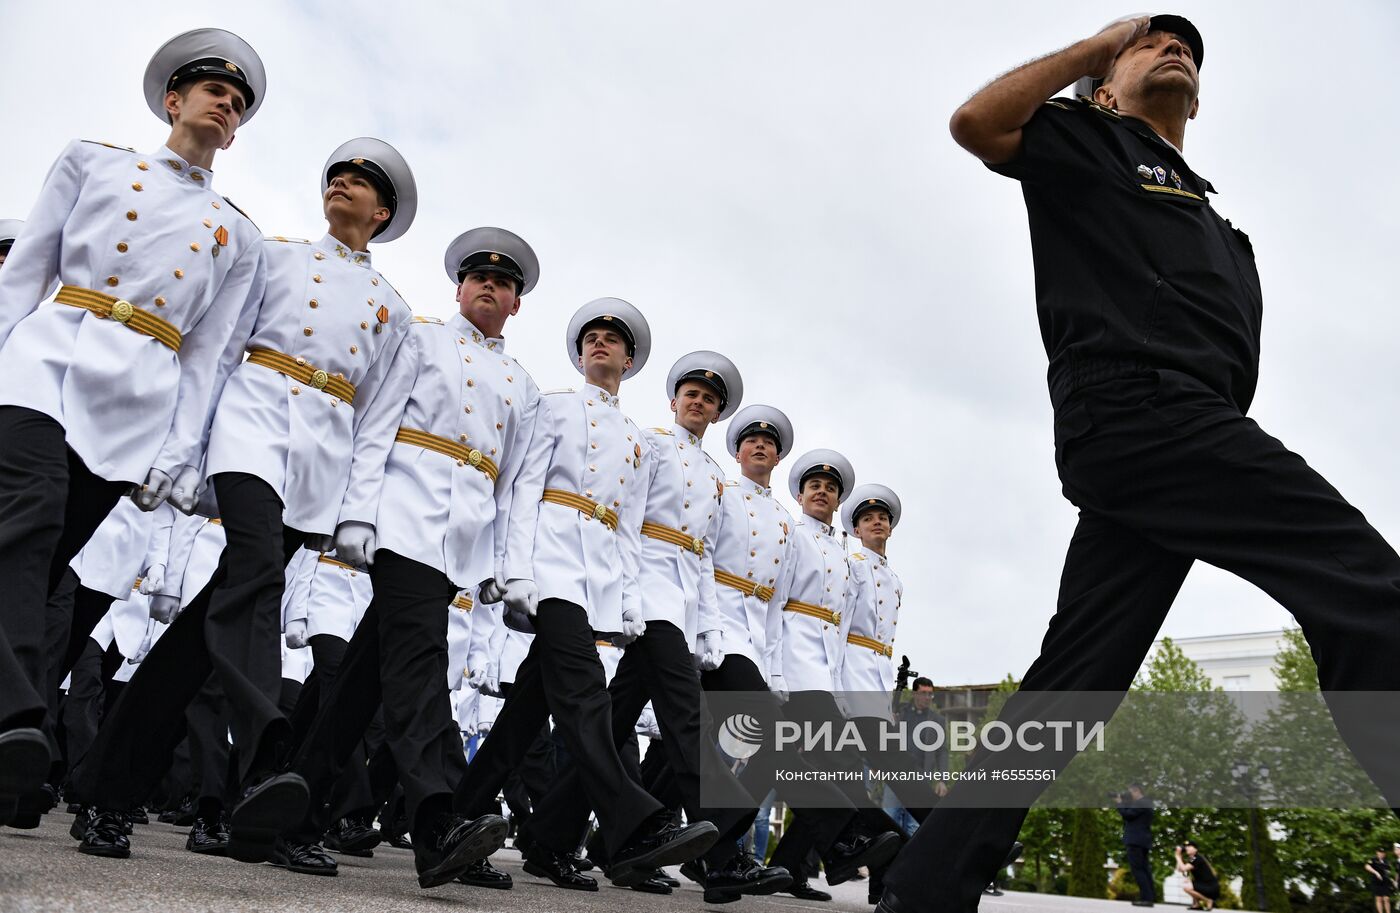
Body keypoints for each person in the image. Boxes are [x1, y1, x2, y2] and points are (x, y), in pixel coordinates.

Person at [878, 13, 1400, 912]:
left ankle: (925, 888)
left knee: (1076, 680)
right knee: (1366, 585)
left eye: (1189, 47)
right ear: (1106, 87)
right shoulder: (1092, 144)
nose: (1176, 48)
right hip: (1140, 411)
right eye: (1152, 42)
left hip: (1173, 443)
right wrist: (1091, 48)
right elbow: (976, 125)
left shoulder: (1221, 227)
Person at [70, 136, 416, 866]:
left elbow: (376, 421)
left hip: (319, 457)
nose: (343, 185)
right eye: (338, 175)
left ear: (382, 212)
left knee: (205, 630)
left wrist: (356, 509)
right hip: (252, 422)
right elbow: (222, 350)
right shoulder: (277, 255)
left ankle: (108, 789)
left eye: (360, 182)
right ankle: (269, 759)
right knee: (255, 569)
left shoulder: (393, 308)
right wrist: (187, 452)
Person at [0, 27, 267, 828]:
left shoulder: (238, 233)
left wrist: (183, 453)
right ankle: (15, 714)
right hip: (51, 355)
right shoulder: (93, 162)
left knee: (44, 567)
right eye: (214, 90)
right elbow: (25, 274)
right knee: (30, 515)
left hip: (139, 398)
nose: (227, 104)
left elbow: (209, 358)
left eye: (240, 101)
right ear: (172, 99)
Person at [285, 227, 549, 888]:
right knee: (419, 660)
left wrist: (508, 568)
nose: (490, 287)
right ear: (459, 287)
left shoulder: (524, 385)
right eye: (479, 277)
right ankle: (440, 823)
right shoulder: (421, 338)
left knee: (361, 684)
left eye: (505, 282)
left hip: (460, 538)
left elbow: (515, 487)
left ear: (516, 303)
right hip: (403, 514)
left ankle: (288, 806)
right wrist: (355, 512)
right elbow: (374, 424)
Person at [455, 297, 721, 890]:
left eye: (613, 340)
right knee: (584, 696)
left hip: (595, 573)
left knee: (527, 713)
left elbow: (628, 528)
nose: (600, 344)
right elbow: (525, 489)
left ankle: (461, 818)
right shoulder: (552, 408)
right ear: (580, 354)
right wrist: (514, 568)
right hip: (547, 562)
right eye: (592, 338)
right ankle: (635, 819)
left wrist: (627, 602)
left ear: (629, 361)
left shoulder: (637, 440)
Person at [521, 350, 782, 901]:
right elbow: (628, 520)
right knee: (687, 717)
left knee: (611, 725)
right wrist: (626, 599)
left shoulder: (714, 476)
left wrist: (708, 627)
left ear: (716, 415)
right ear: (674, 401)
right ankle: (720, 856)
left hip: (683, 604)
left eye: (709, 400)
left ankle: (549, 837)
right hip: (647, 596)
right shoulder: (651, 445)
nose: (698, 402)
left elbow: (705, 554)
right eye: (691, 394)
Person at [1117, 784, 1155, 906]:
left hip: (1135, 841)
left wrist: (1119, 802)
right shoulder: (1147, 803)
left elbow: (1127, 815)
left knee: (1138, 869)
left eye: (1130, 792)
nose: (1129, 795)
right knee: (1144, 869)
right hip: (1143, 840)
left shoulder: (1140, 802)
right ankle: (1149, 897)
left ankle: (1146, 899)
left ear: (1136, 791)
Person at [1175, 841, 1218, 911]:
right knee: (1188, 882)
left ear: (1196, 849)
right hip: (1207, 886)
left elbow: (1183, 868)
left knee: (1186, 887)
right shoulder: (1192, 858)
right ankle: (1196, 905)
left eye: (1189, 846)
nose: (1186, 848)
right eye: (1186, 847)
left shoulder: (1196, 858)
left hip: (1210, 888)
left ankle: (1208, 900)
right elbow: (1180, 869)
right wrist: (1179, 856)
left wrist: (1177, 856)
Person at [1367, 846, 1394, 913]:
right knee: (1379, 898)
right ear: (1377, 852)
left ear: (1384, 854)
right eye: (1380, 852)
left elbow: (1389, 872)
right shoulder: (1373, 859)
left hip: (1385, 882)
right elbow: (1367, 866)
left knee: (1386, 898)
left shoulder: (1387, 862)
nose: (1381, 854)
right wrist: (1376, 872)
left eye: (1383, 853)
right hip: (1376, 882)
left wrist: (1391, 879)